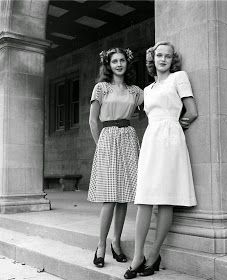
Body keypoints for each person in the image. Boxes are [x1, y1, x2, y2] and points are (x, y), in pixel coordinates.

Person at [124, 41, 198, 279]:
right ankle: (138, 257)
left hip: (170, 138)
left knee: (165, 199)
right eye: (159, 56)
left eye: (167, 56)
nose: (163, 59)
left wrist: (176, 126)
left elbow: (192, 110)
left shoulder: (179, 77)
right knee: (144, 198)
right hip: (151, 139)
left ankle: (154, 254)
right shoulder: (148, 89)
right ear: (152, 59)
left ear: (172, 59)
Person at [88, 47, 143, 268]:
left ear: (127, 63)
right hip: (108, 139)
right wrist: (99, 146)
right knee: (109, 197)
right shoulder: (101, 88)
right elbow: (93, 121)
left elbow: (156, 103)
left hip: (129, 138)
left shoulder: (136, 91)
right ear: (108, 65)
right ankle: (101, 245)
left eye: (122, 60)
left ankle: (116, 243)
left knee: (123, 197)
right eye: (114, 61)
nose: (119, 64)